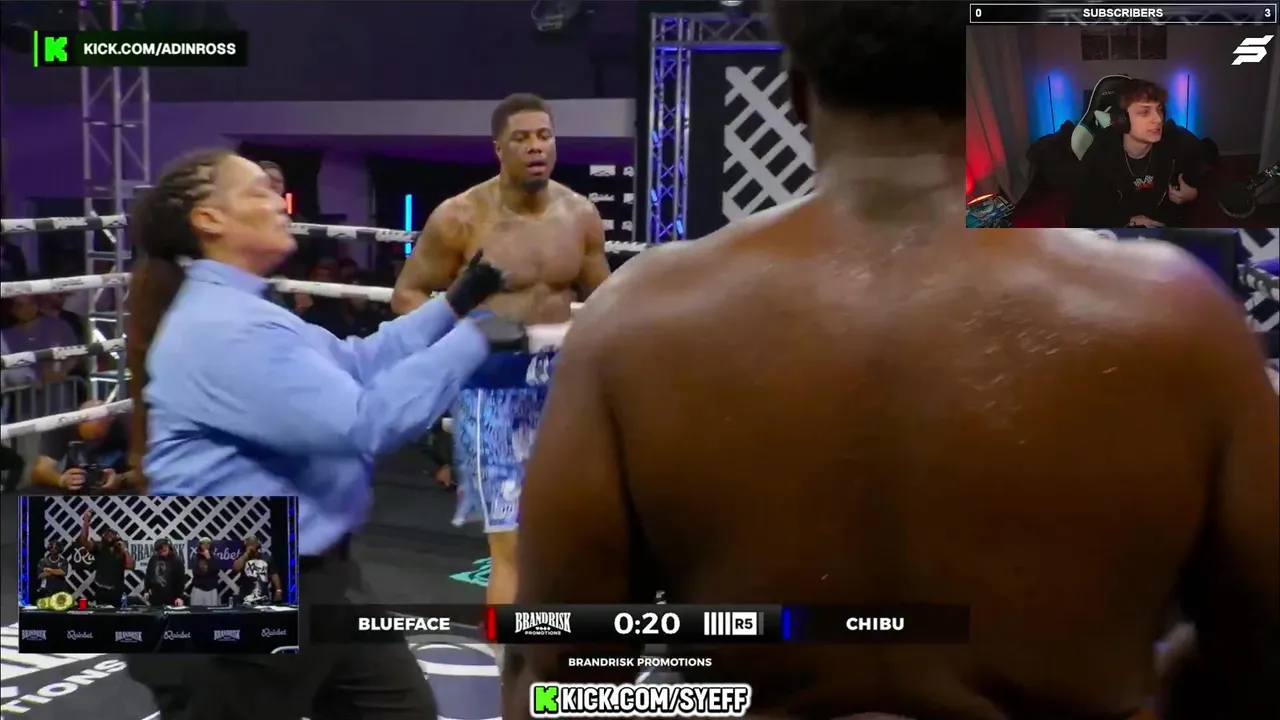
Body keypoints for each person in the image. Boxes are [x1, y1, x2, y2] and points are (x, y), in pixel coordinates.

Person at [502, 4, 1278, 720]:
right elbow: (1261, 648)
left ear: (796, 94)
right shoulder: (1176, 321)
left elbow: (561, 673)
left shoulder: (638, 322)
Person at [121, 148, 509, 719]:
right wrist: (478, 338)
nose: (281, 203)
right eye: (259, 191)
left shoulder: (247, 309)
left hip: (313, 574)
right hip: (231, 586)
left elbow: (355, 360)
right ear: (209, 219)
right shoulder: (223, 326)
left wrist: (454, 304)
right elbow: (363, 423)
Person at [390, 93, 612, 624]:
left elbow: (606, 299)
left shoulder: (580, 215)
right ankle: (511, 666)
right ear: (499, 148)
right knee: (509, 544)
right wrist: (469, 336)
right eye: (522, 138)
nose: (536, 147)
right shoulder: (461, 217)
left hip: (561, 386)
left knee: (568, 533)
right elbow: (407, 295)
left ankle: (557, 652)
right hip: (492, 389)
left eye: (545, 136)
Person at [1069, 78, 1206, 228]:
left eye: (1159, 109)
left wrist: (1193, 194)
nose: (1158, 119)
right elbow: (1084, 211)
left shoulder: (1173, 143)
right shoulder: (1101, 153)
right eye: (1145, 112)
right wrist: (1126, 221)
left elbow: (1203, 165)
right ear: (1122, 119)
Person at [30, 400, 139, 493]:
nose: (93, 444)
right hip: (76, 485)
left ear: (110, 422)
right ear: (78, 424)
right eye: (88, 438)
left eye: (97, 437)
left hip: (119, 485)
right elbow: (40, 471)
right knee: (35, 493)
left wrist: (121, 479)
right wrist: (60, 480)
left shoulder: (129, 425)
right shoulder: (61, 423)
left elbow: (145, 471)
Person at [76, 510, 133, 607]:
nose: (109, 535)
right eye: (107, 534)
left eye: (112, 534)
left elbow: (130, 566)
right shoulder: (99, 548)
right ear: (103, 537)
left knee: (118, 615)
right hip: (101, 590)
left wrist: (125, 550)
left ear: (117, 537)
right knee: (102, 614)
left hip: (117, 591)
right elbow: (83, 541)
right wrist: (86, 522)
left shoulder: (120, 551)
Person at [232, 535, 280, 604]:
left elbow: (274, 575)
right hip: (245, 598)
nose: (251, 548)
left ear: (258, 547)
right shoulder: (242, 558)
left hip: (263, 597)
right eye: (249, 545)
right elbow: (236, 569)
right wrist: (246, 554)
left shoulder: (267, 558)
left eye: (253, 545)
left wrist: (278, 590)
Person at [142, 538, 186, 607]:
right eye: (160, 550)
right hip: (155, 597)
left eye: (164, 549)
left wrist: (179, 597)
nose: (162, 551)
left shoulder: (177, 561)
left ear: (169, 547)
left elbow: (180, 581)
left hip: (172, 598)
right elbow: (148, 575)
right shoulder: (153, 559)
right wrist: (146, 590)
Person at [189, 537, 220, 606]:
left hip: (211, 589)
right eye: (203, 544)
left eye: (208, 544)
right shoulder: (195, 557)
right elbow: (196, 573)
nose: (206, 545)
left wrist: (209, 558)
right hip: (198, 588)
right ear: (200, 545)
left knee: (212, 611)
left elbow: (215, 571)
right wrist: (209, 572)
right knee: (196, 610)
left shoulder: (215, 558)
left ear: (211, 545)